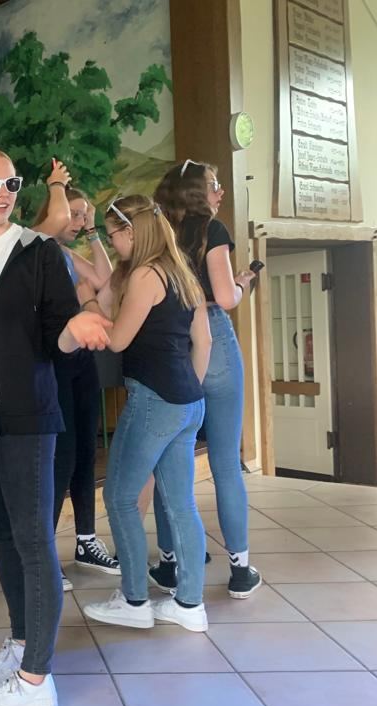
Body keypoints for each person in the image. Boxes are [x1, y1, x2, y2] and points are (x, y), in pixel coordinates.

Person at [0, 147, 111, 706]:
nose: (3, 194)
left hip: (25, 414)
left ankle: (36, 679)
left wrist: (76, 327)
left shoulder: (37, 249)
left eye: (11, 184)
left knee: (34, 540)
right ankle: (20, 644)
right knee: (1, 534)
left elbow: (55, 337)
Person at [78, 195, 212, 633]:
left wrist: (90, 306)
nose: (113, 243)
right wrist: (184, 394)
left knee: (119, 497)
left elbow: (117, 340)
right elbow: (204, 342)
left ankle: (135, 600)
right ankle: (190, 604)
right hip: (189, 400)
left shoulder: (145, 275)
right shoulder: (182, 272)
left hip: (154, 399)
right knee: (180, 504)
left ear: (130, 231)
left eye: (112, 235)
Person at [152, 160, 261, 598]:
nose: (220, 192)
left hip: (173, 341)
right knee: (225, 463)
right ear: (197, 191)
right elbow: (225, 297)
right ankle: (240, 570)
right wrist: (244, 284)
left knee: (168, 458)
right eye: (215, 184)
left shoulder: (161, 233)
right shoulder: (211, 230)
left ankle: (170, 563)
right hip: (214, 338)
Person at [34, 184, 121, 585]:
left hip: (83, 361)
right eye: (72, 212)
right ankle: (45, 554)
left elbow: (104, 278)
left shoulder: (68, 253)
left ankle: (86, 539)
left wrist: (91, 231)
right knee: (62, 457)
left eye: (84, 213)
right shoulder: (36, 248)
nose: (78, 220)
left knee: (87, 451)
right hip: (54, 361)